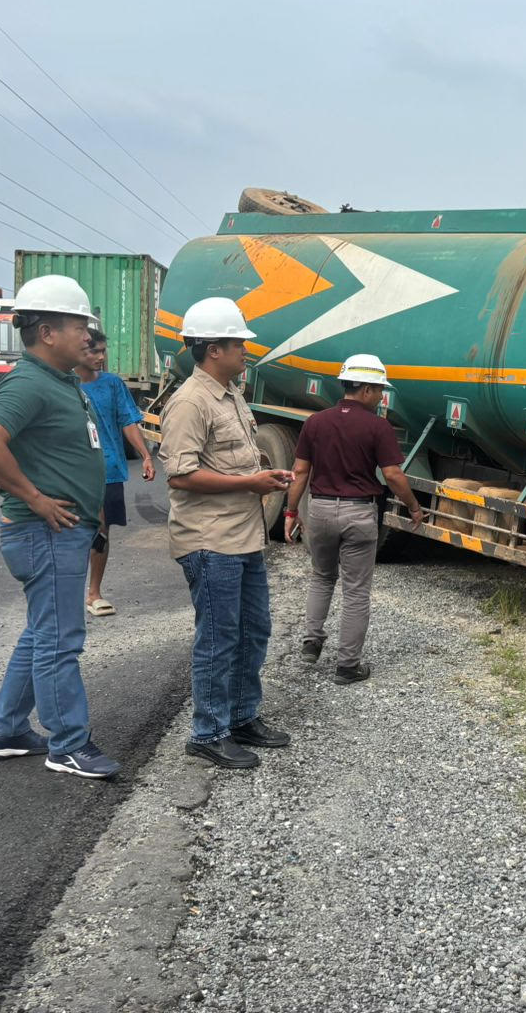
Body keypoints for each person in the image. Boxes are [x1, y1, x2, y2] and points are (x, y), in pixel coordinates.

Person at [0, 275, 119, 780]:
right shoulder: (29, 381)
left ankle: (5, 730)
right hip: (43, 532)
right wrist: (34, 498)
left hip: (60, 532)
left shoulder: (62, 381)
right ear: (48, 332)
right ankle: (68, 744)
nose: (88, 337)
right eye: (80, 325)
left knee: (40, 634)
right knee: (59, 640)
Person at [159, 297, 294, 770]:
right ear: (213, 349)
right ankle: (207, 732)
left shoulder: (232, 394)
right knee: (219, 638)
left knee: (254, 630)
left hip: (243, 537)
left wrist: (265, 475)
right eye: (239, 344)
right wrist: (248, 484)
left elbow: (234, 459)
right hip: (209, 540)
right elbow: (180, 476)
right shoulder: (191, 402)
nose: (246, 352)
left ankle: (240, 717)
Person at [285, 354, 423, 685]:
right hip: (358, 512)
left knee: (321, 576)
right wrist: (414, 507)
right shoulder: (378, 427)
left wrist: (291, 511)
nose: (380, 397)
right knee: (356, 591)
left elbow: (300, 471)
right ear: (364, 389)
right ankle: (347, 666)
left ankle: (311, 643)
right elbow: (392, 474)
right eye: (378, 390)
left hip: (319, 509)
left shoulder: (315, 422)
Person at [76, 328, 156, 616]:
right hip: (75, 472)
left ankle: (94, 592)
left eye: (102, 351)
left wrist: (146, 455)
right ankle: (70, 591)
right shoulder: (66, 385)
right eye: (93, 351)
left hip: (109, 469)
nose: (100, 357)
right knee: (77, 530)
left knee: (101, 532)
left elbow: (127, 421)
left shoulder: (112, 384)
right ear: (77, 351)